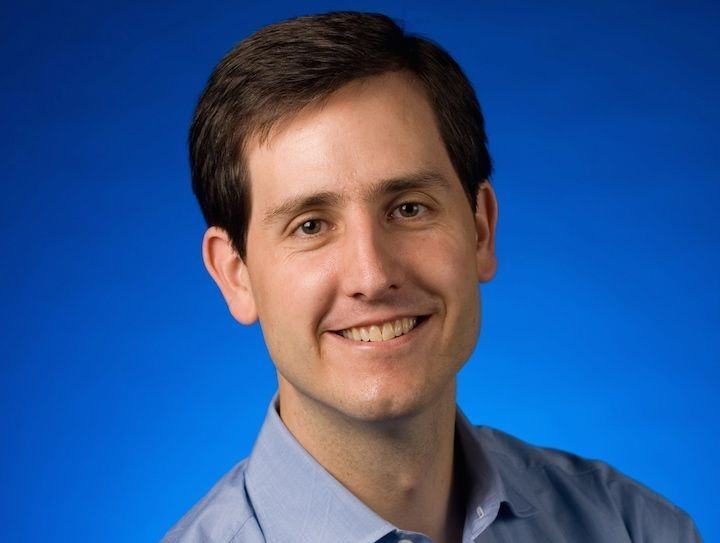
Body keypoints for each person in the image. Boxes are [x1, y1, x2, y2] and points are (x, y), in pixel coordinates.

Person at [162, 11, 701, 543]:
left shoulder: (635, 529)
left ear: (481, 229)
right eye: (311, 226)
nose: (372, 275)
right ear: (236, 276)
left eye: (409, 208)